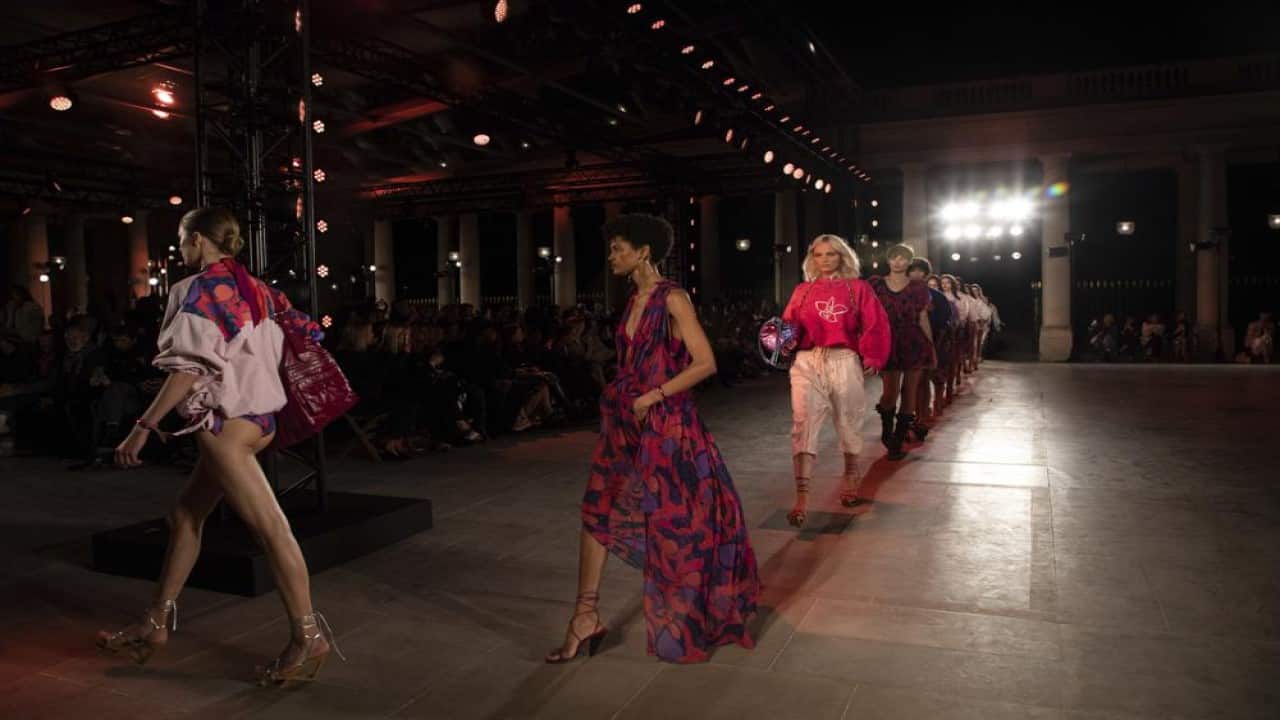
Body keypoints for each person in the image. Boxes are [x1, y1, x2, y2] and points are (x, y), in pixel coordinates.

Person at [96, 208, 342, 687]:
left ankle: (308, 635)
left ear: (202, 240)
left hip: (228, 425)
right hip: (259, 420)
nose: (180, 248)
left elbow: (188, 368)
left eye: (184, 239)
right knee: (185, 516)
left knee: (272, 529)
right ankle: (156, 620)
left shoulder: (196, 291)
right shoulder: (261, 290)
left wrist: (143, 425)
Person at [547, 214, 759, 665]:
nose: (611, 256)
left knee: (678, 525)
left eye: (618, 248)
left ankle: (692, 614)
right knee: (597, 510)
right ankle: (584, 616)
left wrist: (651, 397)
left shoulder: (673, 298)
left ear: (643, 251)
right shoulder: (632, 299)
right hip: (624, 423)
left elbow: (705, 363)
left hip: (667, 426)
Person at [780, 234, 889, 525]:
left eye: (831, 254)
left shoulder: (858, 288)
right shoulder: (803, 290)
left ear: (842, 256)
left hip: (844, 359)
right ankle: (802, 498)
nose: (825, 259)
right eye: (818, 254)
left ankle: (851, 477)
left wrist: (873, 356)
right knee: (803, 423)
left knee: (848, 421)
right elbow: (789, 325)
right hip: (807, 361)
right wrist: (781, 341)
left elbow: (876, 323)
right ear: (811, 259)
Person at [870, 245, 934, 461]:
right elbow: (868, 315)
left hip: (913, 340)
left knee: (910, 391)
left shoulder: (918, 288)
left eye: (903, 258)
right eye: (894, 257)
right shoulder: (876, 284)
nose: (898, 261)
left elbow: (923, 317)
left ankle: (897, 439)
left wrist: (930, 345)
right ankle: (887, 431)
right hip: (886, 340)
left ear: (909, 262)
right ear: (888, 260)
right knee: (890, 392)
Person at [911, 263, 953, 436]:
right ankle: (914, 414)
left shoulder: (938, 297)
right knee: (911, 384)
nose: (916, 274)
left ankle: (922, 417)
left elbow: (944, 321)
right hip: (908, 343)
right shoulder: (905, 294)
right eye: (913, 270)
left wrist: (935, 344)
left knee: (924, 380)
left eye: (920, 270)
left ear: (927, 274)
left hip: (930, 342)